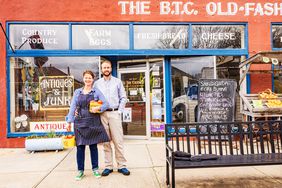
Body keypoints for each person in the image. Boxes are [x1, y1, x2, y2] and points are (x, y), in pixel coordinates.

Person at [66, 70, 110, 181]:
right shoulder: (77, 92)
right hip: (79, 122)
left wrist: (98, 108)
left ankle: (95, 169)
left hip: (93, 121)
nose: (88, 79)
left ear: (93, 79)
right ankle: (80, 171)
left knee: (93, 147)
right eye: (86, 77)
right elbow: (73, 107)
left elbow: (106, 104)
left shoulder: (96, 91)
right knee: (80, 147)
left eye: (89, 78)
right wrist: (69, 122)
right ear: (83, 79)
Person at [94, 60, 130, 176]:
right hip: (102, 114)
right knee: (105, 142)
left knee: (118, 141)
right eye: (104, 67)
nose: (106, 69)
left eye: (108, 67)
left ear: (111, 68)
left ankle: (121, 165)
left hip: (114, 113)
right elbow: (94, 99)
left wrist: (119, 111)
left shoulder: (117, 82)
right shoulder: (97, 83)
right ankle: (108, 166)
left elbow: (123, 98)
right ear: (101, 69)